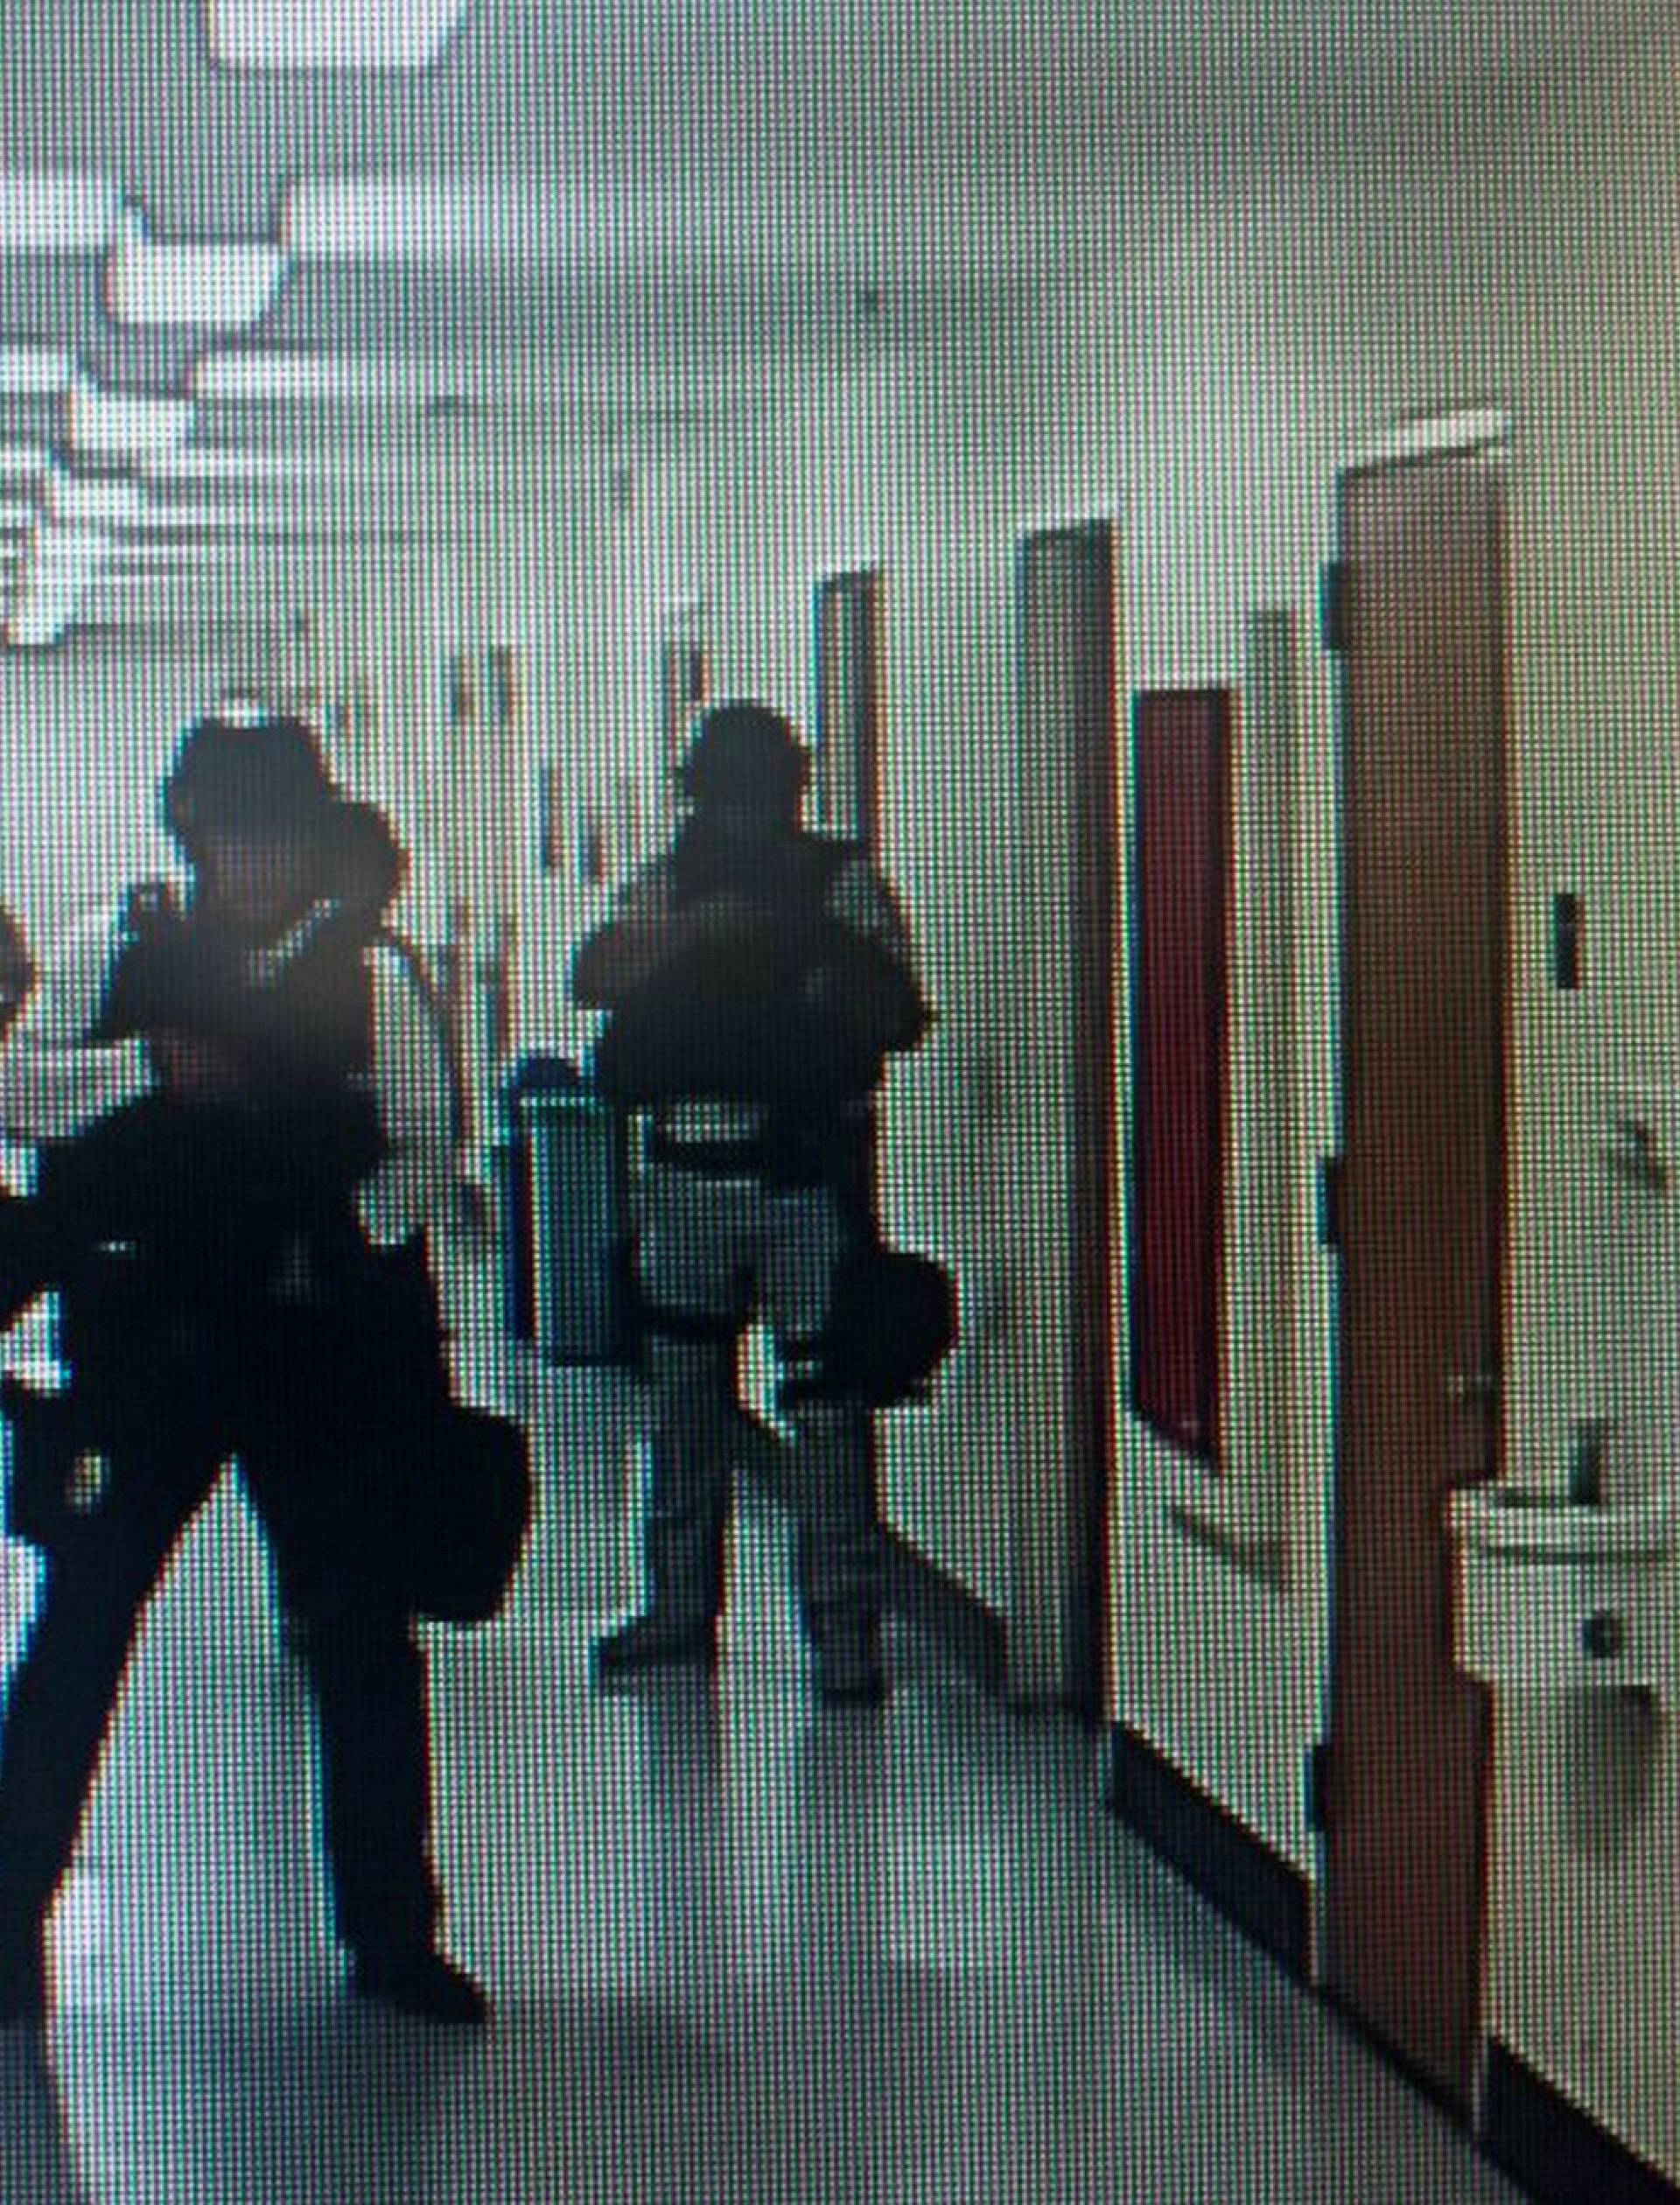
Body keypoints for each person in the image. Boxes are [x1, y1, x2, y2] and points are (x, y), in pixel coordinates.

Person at [0, 711, 486, 2028]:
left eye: (274, 834)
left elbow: (430, 1151)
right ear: (194, 835)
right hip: (151, 1350)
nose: (252, 861)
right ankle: (5, 1925)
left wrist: (316, 1212)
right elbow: (22, 1087)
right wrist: (158, 1079)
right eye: (228, 834)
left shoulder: (373, 973)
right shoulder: (129, 952)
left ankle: (389, 1932)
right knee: (81, 1630)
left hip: (319, 1352)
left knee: (360, 1636)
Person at [575, 699, 929, 1707]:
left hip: (798, 1177)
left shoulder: (838, 884)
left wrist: (801, 948)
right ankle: (684, 1612)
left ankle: (842, 1631)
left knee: (824, 1411)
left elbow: (896, 1008)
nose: (742, 817)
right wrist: (703, 932)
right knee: (692, 1410)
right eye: (728, 797)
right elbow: (592, 973)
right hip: (690, 1169)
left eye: (758, 796)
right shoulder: (671, 883)